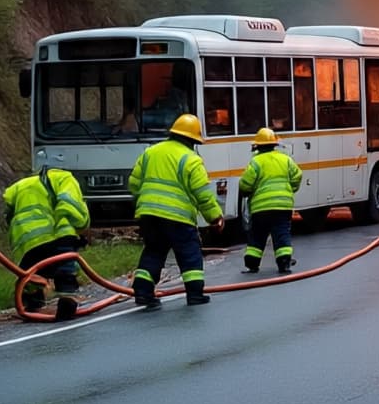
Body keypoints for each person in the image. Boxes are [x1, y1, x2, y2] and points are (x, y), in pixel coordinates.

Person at [127, 113, 223, 309]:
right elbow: (202, 193)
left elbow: (133, 184)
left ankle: (143, 293)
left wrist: (148, 203)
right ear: (191, 139)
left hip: (149, 215)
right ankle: (195, 294)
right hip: (177, 218)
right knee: (189, 252)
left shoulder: (150, 152)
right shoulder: (191, 159)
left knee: (154, 251)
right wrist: (214, 217)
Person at [2, 165, 90, 321]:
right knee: (65, 264)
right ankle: (67, 296)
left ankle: (32, 303)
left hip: (25, 239)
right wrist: (81, 227)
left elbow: (8, 213)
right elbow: (72, 205)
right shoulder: (64, 178)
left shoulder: (18, 186)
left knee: (31, 272)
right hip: (56, 233)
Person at [239, 127, 303, 274]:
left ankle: (252, 263)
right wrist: (289, 189)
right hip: (283, 206)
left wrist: (246, 192)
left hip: (261, 208)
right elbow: (297, 176)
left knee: (257, 235)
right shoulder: (286, 160)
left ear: (257, 146)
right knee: (281, 232)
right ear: (275, 144)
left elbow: (245, 184)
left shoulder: (255, 162)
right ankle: (284, 262)